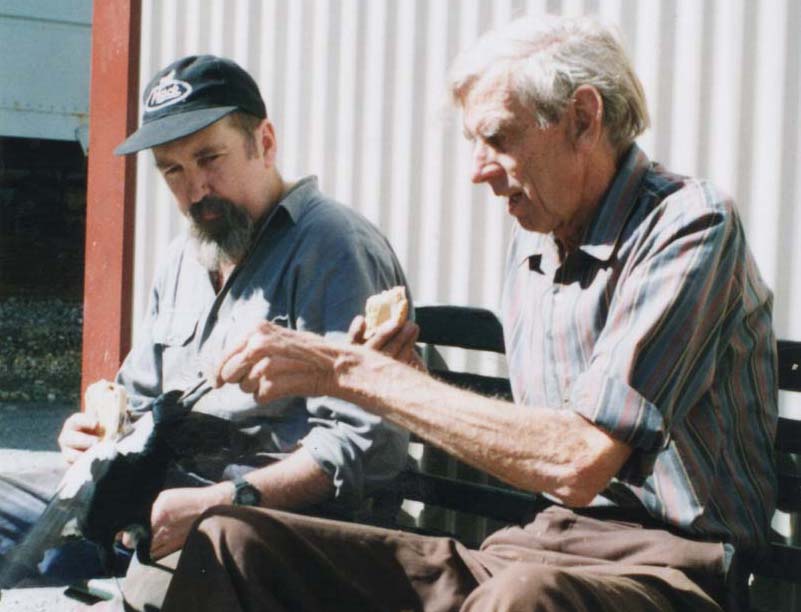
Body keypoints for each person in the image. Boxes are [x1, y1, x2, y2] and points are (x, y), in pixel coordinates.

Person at [160, 15, 777, 612]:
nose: (478, 170)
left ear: (583, 120)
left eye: (498, 139)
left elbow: (578, 460)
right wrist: (401, 382)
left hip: (668, 569)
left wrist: (353, 373)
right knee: (232, 541)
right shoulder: (536, 240)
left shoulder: (689, 224)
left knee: (519, 599)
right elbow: (536, 453)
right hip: (533, 548)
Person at [0, 55, 412, 609]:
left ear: (264, 142)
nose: (195, 190)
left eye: (209, 158)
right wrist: (94, 435)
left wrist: (226, 498)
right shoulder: (186, 256)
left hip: (277, 523)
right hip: (162, 494)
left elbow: (366, 444)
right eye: (172, 170)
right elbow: (139, 400)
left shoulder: (333, 248)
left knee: (149, 587)